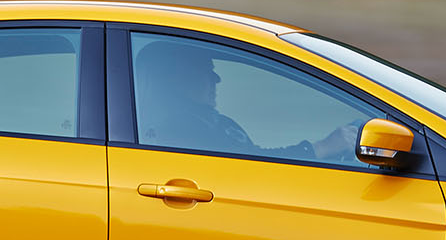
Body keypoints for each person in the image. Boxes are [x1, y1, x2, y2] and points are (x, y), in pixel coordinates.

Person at [134, 39, 359, 162]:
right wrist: (323, 147)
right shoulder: (182, 131)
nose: (217, 79)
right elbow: (258, 169)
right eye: (206, 70)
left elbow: (255, 160)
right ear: (177, 77)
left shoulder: (207, 123)